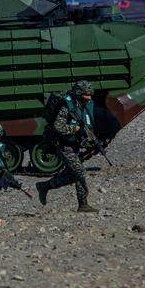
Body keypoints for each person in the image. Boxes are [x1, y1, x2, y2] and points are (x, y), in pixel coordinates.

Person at [35, 80, 99, 213]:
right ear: (79, 94)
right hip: (63, 144)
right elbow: (58, 127)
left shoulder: (84, 105)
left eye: (90, 95)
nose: (89, 98)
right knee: (80, 172)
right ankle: (83, 204)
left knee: (74, 174)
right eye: (86, 95)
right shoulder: (66, 107)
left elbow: (87, 125)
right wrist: (75, 129)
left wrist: (90, 140)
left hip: (74, 144)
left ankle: (45, 186)